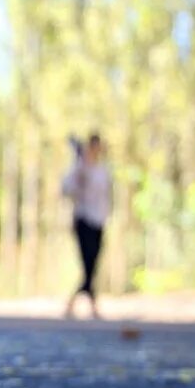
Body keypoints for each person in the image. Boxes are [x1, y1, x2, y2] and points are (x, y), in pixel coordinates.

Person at [60, 130, 113, 319]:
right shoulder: (79, 168)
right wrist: (79, 179)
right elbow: (66, 189)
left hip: (99, 220)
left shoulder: (102, 170)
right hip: (83, 220)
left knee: (93, 265)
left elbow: (106, 196)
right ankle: (91, 306)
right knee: (87, 263)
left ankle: (73, 303)